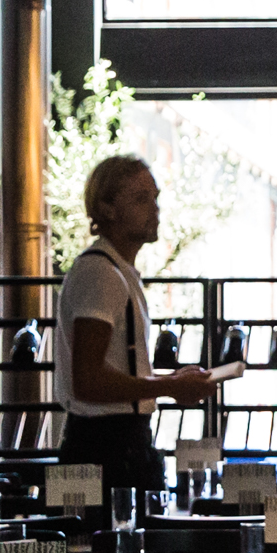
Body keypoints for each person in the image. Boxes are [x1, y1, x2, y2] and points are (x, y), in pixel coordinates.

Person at [56, 155, 214, 496]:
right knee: (111, 547)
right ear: (107, 208)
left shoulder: (116, 271)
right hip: (103, 450)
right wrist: (170, 384)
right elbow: (88, 380)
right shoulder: (100, 273)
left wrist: (171, 383)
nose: (155, 209)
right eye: (141, 199)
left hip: (103, 445)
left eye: (155, 198)